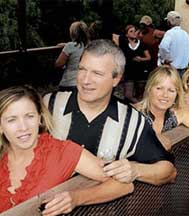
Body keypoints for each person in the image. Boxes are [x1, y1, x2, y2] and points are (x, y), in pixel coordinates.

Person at [0, 85, 133, 216]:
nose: (23, 127)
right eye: (12, 120)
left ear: (40, 118)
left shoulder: (62, 151)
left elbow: (124, 185)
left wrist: (77, 198)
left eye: (29, 116)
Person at [44, 39, 176, 186]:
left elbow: (169, 171)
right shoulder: (49, 105)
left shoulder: (131, 121)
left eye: (97, 73)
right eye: (82, 69)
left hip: (103, 208)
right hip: (36, 207)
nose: (86, 80)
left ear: (116, 79)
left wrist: (136, 170)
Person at [134, 65, 189, 154]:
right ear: (149, 89)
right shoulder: (134, 113)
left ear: (177, 94)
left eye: (171, 90)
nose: (165, 95)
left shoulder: (177, 113)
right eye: (159, 88)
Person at [114, 25, 151, 103]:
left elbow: (148, 57)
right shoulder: (124, 44)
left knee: (140, 94)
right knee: (128, 95)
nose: (134, 33)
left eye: (134, 31)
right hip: (129, 73)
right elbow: (115, 37)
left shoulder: (142, 44)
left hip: (141, 73)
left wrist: (141, 59)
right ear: (127, 34)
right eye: (131, 31)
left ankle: (139, 110)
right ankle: (138, 106)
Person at [55, 21, 90, 91]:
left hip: (69, 84)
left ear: (73, 33)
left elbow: (58, 64)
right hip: (85, 83)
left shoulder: (70, 46)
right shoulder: (90, 46)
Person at [158, 11, 189, 76]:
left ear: (169, 22)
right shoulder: (185, 34)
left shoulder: (170, 33)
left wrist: (165, 59)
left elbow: (163, 47)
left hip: (172, 70)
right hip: (184, 70)